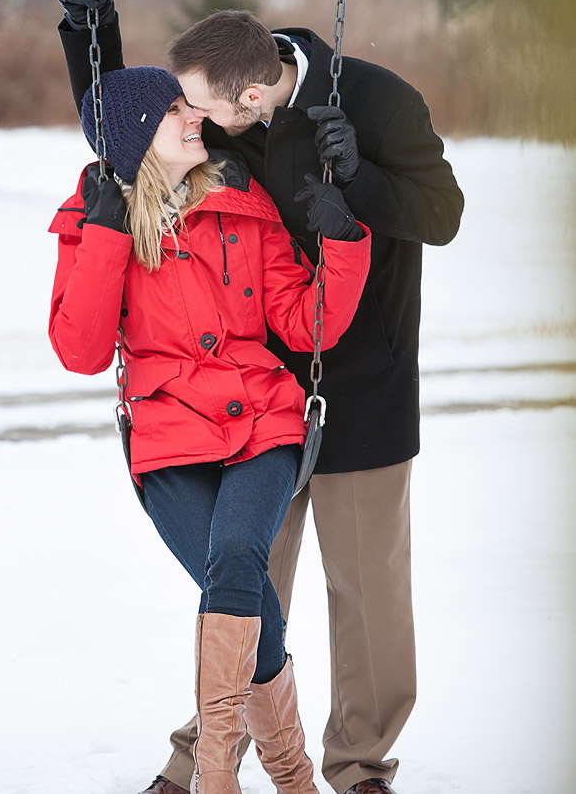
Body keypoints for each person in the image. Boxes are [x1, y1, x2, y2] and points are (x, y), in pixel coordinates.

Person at [55, 0, 465, 794]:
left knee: (368, 595)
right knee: (241, 580)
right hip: (248, 396)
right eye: (188, 106)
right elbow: (131, 140)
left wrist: (360, 181)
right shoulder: (219, 116)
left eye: (199, 106)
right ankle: (208, 761)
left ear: (248, 96)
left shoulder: (378, 102)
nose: (195, 120)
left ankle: (358, 770)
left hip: (361, 376)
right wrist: (89, 36)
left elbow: (443, 214)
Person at [49, 65, 372, 794]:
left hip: (261, 422)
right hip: (168, 438)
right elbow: (80, 350)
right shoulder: (96, 213)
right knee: (247, 593)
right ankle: (293, 778)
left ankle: (217, 777)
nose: (193, 116)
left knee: (233, 561)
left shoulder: (238, 201)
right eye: (172, 110)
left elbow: (303, 324)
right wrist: (102, 235)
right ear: (136, 136)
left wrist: (345, 243)